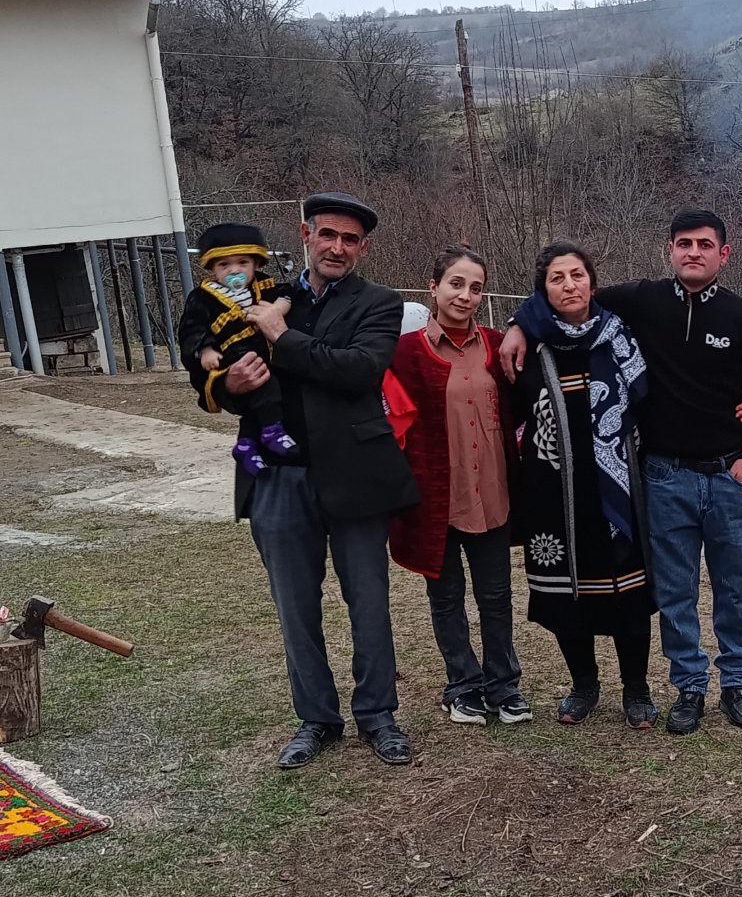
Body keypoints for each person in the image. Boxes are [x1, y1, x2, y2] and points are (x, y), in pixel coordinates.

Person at [501, 209, 742, 735]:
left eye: (705, 245)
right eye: (684, 243)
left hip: (729, 475)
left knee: (734, 588)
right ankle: (688, 688)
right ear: (670, 250)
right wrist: (516, 326)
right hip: (663, 476)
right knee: (676, 591)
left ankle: (738, 684)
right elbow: (565, 297)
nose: (694, 253)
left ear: (723, 254)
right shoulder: (641, 300)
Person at [184, 191, 419, 768]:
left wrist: (281, 336)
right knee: (295, 608)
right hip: (279, 478)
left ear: (362, 248)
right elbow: (214, 371)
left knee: (368, 602)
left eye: (350, 239)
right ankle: (317, 719)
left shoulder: (379, 304)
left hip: (357, 476)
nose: (338, 247)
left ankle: (378, 716)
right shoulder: (264, 297)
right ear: (305, 235)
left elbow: (359, 371)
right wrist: (227, 385)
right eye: (328, 234)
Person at [510, 243, 661, 729]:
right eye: (557, 278)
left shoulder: (620, 336)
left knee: (629, 593)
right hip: (553, 492)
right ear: (543, 291)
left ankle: (636, 688)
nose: (569, 285)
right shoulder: (529, 346)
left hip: (620, 486)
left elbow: (652, 400)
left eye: (577, 275)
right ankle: (584, 685)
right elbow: (510, 416)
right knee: (566, 595)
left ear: (592, 283)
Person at [388, 247, 532, 726]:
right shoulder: (405, 352)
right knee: (446, 599)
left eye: (475, 287)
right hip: (435, 500)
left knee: (496, 597)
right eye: (455, 284)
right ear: (433, 286)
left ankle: (504, 686)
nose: (465, 296)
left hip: (491, 494)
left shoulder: (498, 344)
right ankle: (462, 685)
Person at [178, 223, 298, 474]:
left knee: (260, 402)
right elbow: (192, 329)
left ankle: (246, 445)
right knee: (267, 391)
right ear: (212, 268)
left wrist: (277, 309)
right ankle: (272, 432)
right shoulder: (203, 297)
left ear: (256, 264)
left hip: (265, 355)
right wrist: (206, 351)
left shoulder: (264, 287)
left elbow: (287, 295)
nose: (235, 270)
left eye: (242, 263)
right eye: (224, 265)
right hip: (231, 359)